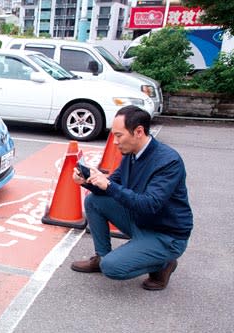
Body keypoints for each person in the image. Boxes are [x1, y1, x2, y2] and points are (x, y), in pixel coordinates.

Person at [70, 105, 193, 290]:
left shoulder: (168, 161)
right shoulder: (131, 154)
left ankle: (164, 263)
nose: (115, 142)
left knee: (112, 268)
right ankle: (101, 256)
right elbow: (111, 187)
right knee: (94, 201)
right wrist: (87, 181)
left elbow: (149, 204)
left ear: (138, 132)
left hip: (166, 234)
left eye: (119, 136)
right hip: (141, 221)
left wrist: (109, 185)